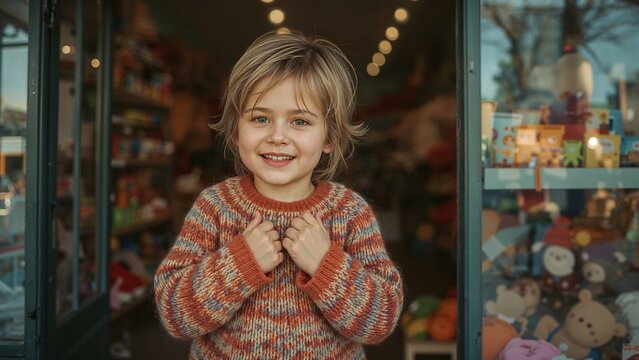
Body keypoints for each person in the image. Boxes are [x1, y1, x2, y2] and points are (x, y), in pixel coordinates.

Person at [154, 30, 404, 359]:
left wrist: (326, 265)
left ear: (329, 138)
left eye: (300, 121)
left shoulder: (350, 213)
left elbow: (381, 320)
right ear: (235, 129)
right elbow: (175, 314)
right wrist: (239, 262)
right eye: (260, 118)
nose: (278, 136)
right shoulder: (214, 207)